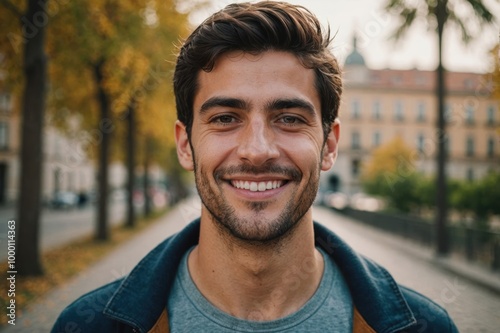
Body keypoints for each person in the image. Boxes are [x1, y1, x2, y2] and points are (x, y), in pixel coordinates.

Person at [52, 2, 458, 332]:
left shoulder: (427, 327)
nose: (258, 151)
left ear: (329, 145)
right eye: (226, 118)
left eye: (289, 118)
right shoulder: (87, 325)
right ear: (186, 145)